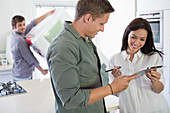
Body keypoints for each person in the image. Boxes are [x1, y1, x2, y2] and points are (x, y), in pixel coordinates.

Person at [46, 0, 137, 113]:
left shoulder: (85, 40)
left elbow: (89, 78)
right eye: (101, 24)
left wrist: (111, 77)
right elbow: (71, 99)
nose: (102, 29)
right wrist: (112, 88)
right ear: (88, 18)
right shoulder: (63, 47)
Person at [108, 18, 170, 113]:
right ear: (127, 35)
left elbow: (159, 90)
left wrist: (154, 80)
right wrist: (117, 80)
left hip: (155, 109)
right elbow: (115, 92)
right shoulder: (115, 59)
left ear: (146, 40)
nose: (136, 42)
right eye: (133, 37)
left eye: (142, 39)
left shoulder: (153, 57)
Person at [11, 10, 55, 81]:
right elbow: (30, 58)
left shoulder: (17, 33)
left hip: (20, 72)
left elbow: (32, 24)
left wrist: (47, 14)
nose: (23, 27)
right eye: (20, 25)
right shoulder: (19, 40)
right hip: (22, 76)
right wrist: (42, 70)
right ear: (14, 27)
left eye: (23, 24)